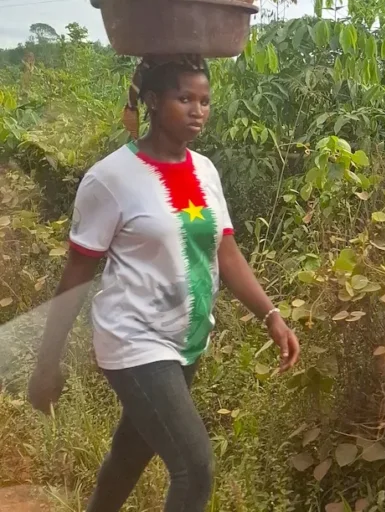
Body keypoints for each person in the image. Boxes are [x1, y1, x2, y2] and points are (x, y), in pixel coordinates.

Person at [27, 56, 300, 512]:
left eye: (205, 100)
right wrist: (47, 364)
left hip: (186, 338)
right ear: (152, 101)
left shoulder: (205, 171)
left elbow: (225, 252)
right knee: (195, 467)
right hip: (133, 340)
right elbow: (77, 273)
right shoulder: (111, 178)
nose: (198, 110)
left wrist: (271, 315)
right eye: (185, 98)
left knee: (131, 453)